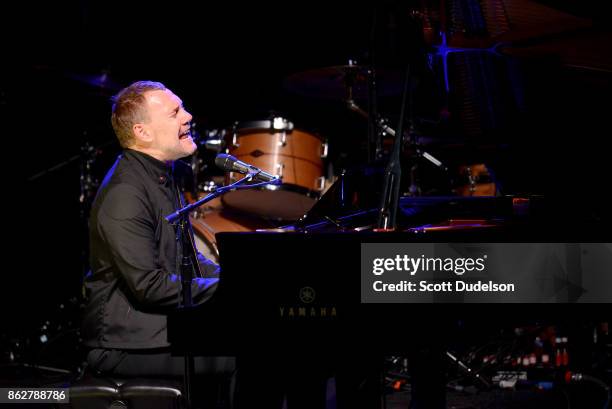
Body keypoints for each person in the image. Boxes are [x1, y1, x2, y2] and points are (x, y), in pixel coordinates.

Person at [81, 80, 234, 407]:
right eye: (175, 112)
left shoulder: (165, 177)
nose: (188, 116)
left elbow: (188, 261)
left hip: (158, 329)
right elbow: (148, 286)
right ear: (143, 132)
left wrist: (231, 274)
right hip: (126, 343)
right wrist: (230, 288)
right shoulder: (126, 194)